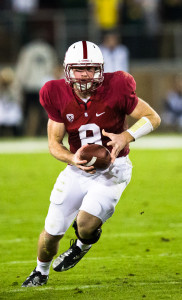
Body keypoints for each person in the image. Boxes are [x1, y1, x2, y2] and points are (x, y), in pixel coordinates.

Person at [22, 41, 161, 287]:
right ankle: (40, 271)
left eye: (91, 69)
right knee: (52, 232)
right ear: (67, 70)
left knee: (85, 226)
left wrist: (126, 136)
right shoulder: (54, 92)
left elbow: (153, 117)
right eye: (79, 69)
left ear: (101, 69)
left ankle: (81, 245)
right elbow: (54, 144)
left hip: (113, 169)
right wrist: (72, 158)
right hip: (77, 169)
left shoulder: (118, 85)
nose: (85, 75)